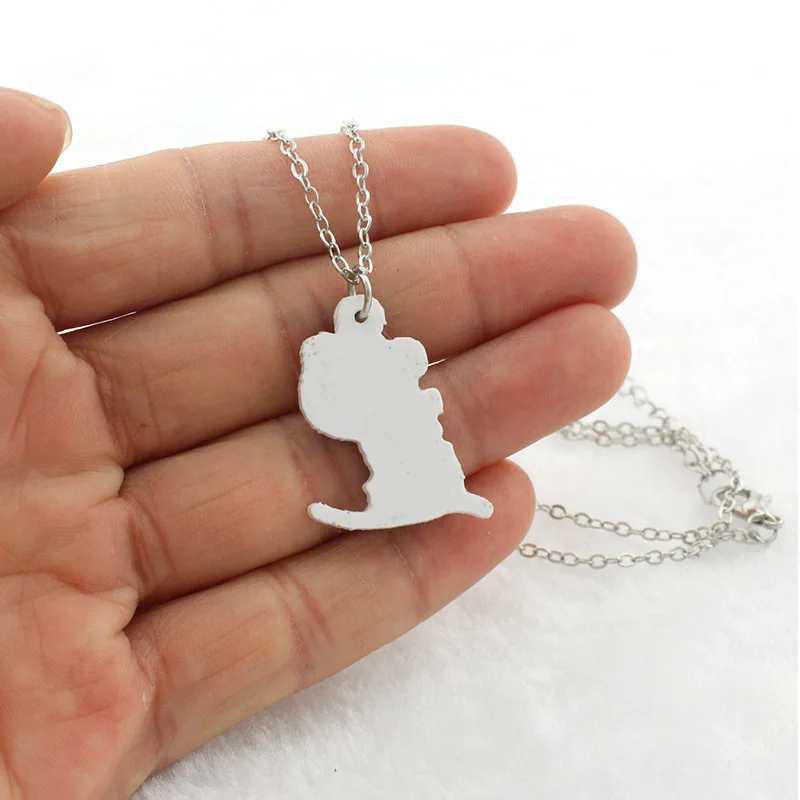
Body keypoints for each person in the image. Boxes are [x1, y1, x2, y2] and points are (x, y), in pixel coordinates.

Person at [0, 86, 635, 798]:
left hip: (401, 429)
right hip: (384, 430)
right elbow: (333, 411)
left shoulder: (382, 361)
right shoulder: (344, 366)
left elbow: (373, 397)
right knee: (395, 454)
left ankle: (431, 491)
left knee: (411, 450)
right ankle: (416, 493)